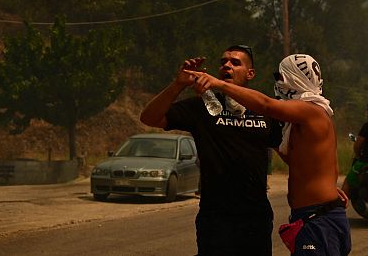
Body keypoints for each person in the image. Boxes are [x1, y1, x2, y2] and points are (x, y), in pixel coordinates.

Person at [186, 54, 351, 256]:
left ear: (294, 78)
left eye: (280, 76)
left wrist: (219, 84)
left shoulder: (311, 111)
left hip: (318, 219)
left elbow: (266, 105)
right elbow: (306, 164)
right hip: (315, 215)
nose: (278, 82)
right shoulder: (303, 120)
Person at [140, 44, 282, 256]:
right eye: (223, 62)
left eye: (235, 62)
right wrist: (178, 84)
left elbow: (289, 151)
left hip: (255, 217)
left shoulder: (263, 108)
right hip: (216, 217)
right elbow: (149, 118)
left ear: (250, 73)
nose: (227, 65)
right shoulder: (203, 107)